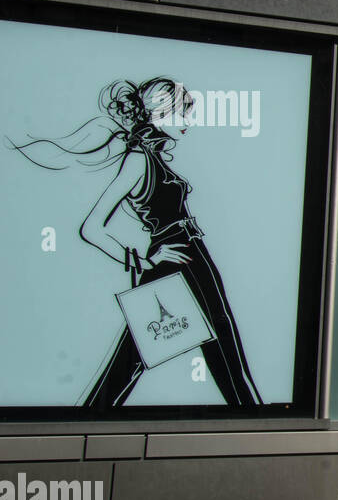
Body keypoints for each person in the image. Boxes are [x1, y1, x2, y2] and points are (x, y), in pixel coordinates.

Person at [12, 77, 261, 408]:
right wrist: (143, 260)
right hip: (181, 259)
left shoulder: (152, 157)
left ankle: (85, 422)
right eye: (183, 113)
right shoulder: (139, 159)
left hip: (187, 256)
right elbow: (92, 227)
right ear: (160, 113)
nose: (189, 122)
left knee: (138, 361)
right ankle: (255, 423)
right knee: (221, 347)